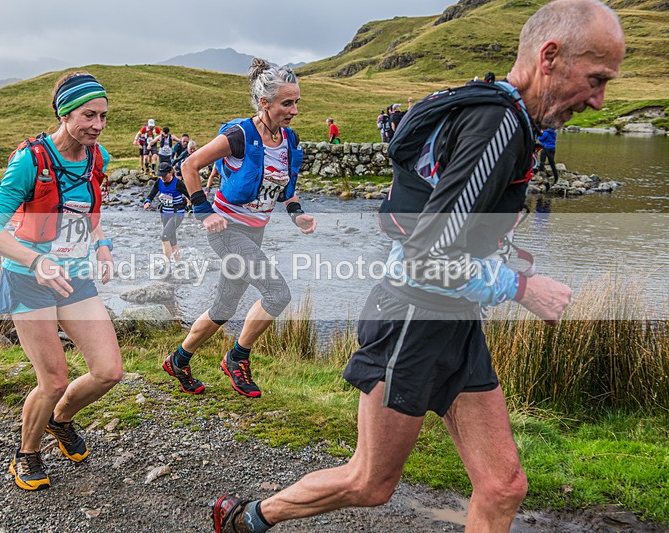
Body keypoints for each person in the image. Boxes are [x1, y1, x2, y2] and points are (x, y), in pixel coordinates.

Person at [212, 1, 622, 531]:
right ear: (550, 56)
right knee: (370, 483)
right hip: (411, 316)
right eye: (595, 79)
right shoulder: (498, 124)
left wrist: (498, 250)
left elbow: (440, 223)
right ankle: (248, 519)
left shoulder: (496, 111)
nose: (599, 100)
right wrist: (521, 286)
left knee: (503, 486)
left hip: (452, 319)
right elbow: (428, 259)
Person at [0, 71, 122, 492]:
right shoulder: (31, 160)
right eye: (87, 115)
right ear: (64, 114)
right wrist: (36, 261)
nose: (96, 125)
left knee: (109, 371)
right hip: (29, 280)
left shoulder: (98, 157)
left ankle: (60, 419)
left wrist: (101, 245)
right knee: (53, 379)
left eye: (103, 116)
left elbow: (89, 213)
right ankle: (27, 453)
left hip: (75, 276)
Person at [163, 58, 316, 398]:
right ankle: (237, 358)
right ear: (265, 103)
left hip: (254, 231)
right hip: (226, 230)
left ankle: (178, 360)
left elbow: (285, 187)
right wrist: (204, 212)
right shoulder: (238, 136)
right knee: (278, 294)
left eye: (296, 102)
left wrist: (297, 213)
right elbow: (189, 165)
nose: (293, 110)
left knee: (223, 307)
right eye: (286, 103)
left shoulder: (288, 139)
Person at [143, 161, 190, 268]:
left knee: (164, 237)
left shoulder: (178, 183)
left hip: (177, 214)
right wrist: (147, 201)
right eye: (160, 175)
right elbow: (152, 193)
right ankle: (179, 264)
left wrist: (194, 206)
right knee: (172, 240)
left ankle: (166, 265)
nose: (162, 178)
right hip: (164, 213)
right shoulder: (159, 182)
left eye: (164, 175)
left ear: (170, 173)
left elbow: (190, 194)